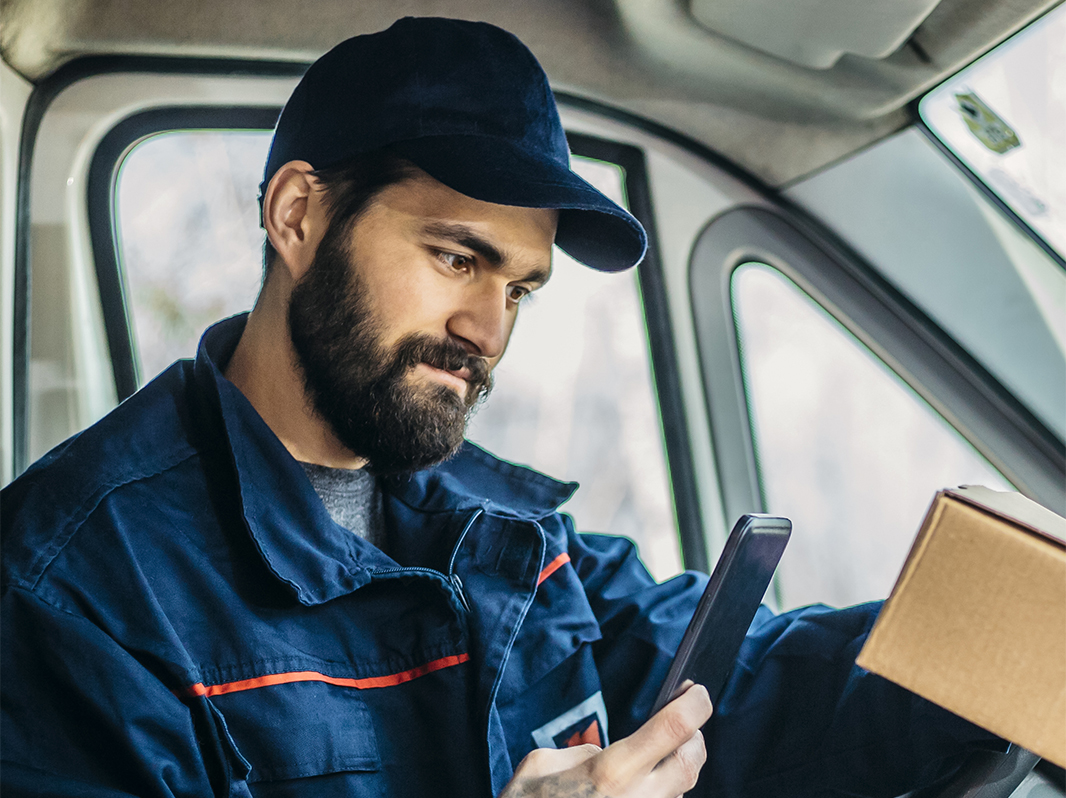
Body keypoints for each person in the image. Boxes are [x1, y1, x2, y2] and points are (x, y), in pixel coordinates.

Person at [1, 17, 1001, 798]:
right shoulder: (74, 586)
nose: (489, 329)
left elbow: (751, 688)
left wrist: (1011, 640)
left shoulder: (509, 532)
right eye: (455, 256)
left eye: (519, 287)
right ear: (298, 213)